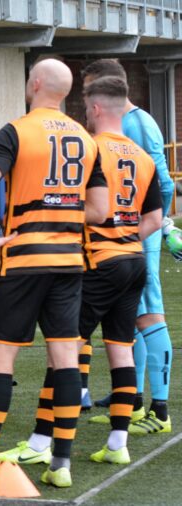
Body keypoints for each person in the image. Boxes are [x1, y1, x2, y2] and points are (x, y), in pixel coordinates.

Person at [0, 59, 108, 489]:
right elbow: (101, 211)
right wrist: (60, 212)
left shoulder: (17, 130)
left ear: (33, 84)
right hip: (69, 262)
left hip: (23, 260)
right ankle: (61, 464)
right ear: (66, 94)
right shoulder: (86, 140)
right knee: (66, 359)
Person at [0, 76, 163, 469]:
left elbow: (77, 204)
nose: (85, 115)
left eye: (86, 108)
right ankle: (118, 442)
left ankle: (40, 440)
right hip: (133, 260)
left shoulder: (90, 147)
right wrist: (123, 237)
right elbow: (154, 217)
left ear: (97, 109)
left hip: (96, 262)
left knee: (63, 355)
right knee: (120, 350)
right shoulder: (142, 156)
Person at [82, 59, 174, 434]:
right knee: (127, 318)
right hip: (124, 239)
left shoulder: (139, 123)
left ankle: (161, 409)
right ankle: (131, 401)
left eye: (89, 93)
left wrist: (154, 228)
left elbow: (163, 181)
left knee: (150, 313)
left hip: (133, 238)